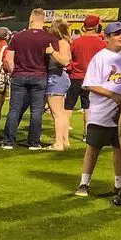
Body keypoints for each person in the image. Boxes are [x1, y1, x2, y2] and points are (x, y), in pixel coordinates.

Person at [74, 21, 121, 201]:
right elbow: (89, 84)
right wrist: (113, 95)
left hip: (120, 114)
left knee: (119, 149)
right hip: (102, 111)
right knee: (93, 148)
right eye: (116, 34)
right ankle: (84, 183)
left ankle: (119, 186)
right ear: (107, 38)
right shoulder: (101, 57)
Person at [1, 9, 54, 150]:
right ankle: (34, 142)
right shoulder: (49, 38)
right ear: (44, 20)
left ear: (31, 19)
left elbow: (8, 58)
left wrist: (15, 72)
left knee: (14, 109)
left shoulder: (18, 36)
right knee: (36, 111)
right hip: (39, 76)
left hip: (19, 76)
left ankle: (8, 142)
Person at [66, 15, 107, 142]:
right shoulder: (102, 43)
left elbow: (69, 59)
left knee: (68, 107)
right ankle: (86, 134)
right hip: (92, 80)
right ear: (96, 26)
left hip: (75, 77)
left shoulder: (76, 42)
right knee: (88, 107)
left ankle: (63, 134)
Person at [45, 19, 74, 150]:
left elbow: (65, 61)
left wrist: (51, 52)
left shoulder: (61, 43)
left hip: (56, 77)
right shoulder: (64, 42)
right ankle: (65, 140)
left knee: (57, 113)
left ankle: (58, 143)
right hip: (61, 78)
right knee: (61, 112)